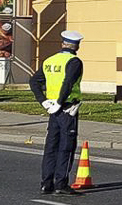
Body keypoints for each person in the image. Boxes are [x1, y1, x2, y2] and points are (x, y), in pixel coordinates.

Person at [29, 31, 85, 195]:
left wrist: (44, 101)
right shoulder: (74, 61)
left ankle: (46, 184)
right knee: (66, 146)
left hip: (52, 109)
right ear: (77, 46)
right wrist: (60, 102)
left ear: (62, 44)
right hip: (67, 109)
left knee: (51, 146)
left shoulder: (50, 61)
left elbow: (34, 81)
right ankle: (61, 184)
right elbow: (68, 83)